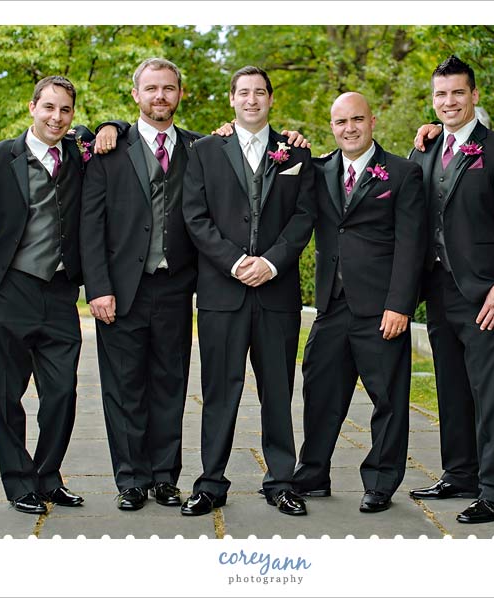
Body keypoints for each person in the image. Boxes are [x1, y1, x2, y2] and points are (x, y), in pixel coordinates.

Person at [180, 66, 316, 517]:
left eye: (260, 92)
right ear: (232, 99)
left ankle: (280, 481)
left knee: (278, 390)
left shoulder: (295, 151)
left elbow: (303, 216)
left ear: (271, 99)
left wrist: (272, 262)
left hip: (277, 294)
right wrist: (236, 262)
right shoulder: (204, 150)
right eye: (244, 92)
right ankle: (210, 483)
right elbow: (195, 216)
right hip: (222, 291)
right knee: (219, 390)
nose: (252, 99)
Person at [406, 56, 494, 524]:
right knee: (451, 387)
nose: (449, 102)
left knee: (490, 391)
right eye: (441, 94)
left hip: (483, 294)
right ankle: (460, 473)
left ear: (474, 95)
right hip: (437, 289)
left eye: (457, 93)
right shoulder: (424, 150)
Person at [292, 92, 426, 513]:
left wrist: (400, 305)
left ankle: (381, 483)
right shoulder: (318, 171)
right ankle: (312, 475)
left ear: (372, 120)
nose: (349, 128)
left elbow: (411, 245)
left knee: (388, 399)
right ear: (331, 127)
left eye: (356, 120)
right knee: (320, 391)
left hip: (382, 307)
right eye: (340, 122)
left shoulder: (402, 174)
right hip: (332, 304)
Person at [79, 58, 201, 511]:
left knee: (171, 383)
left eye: (168, 88)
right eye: (151, 89)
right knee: (124, 387)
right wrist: (97, 288)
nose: (160, 97)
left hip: (176, 287)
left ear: (179, 94)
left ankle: (166, 477)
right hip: (120, 289)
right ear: (136, 95)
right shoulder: (108, 149)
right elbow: (91, 225)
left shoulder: (199, 148)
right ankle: (130, 478)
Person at [0, 76, 95, 515]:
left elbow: (117, 131)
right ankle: (19, 482)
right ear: (32, 107)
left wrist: (111, 126)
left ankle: (48, 476)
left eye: (65, 110)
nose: (56, 117)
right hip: (10, 289)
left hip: (61, 293)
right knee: (6, 397)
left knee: (62, 393)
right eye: (48, 107)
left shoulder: (81, 154)